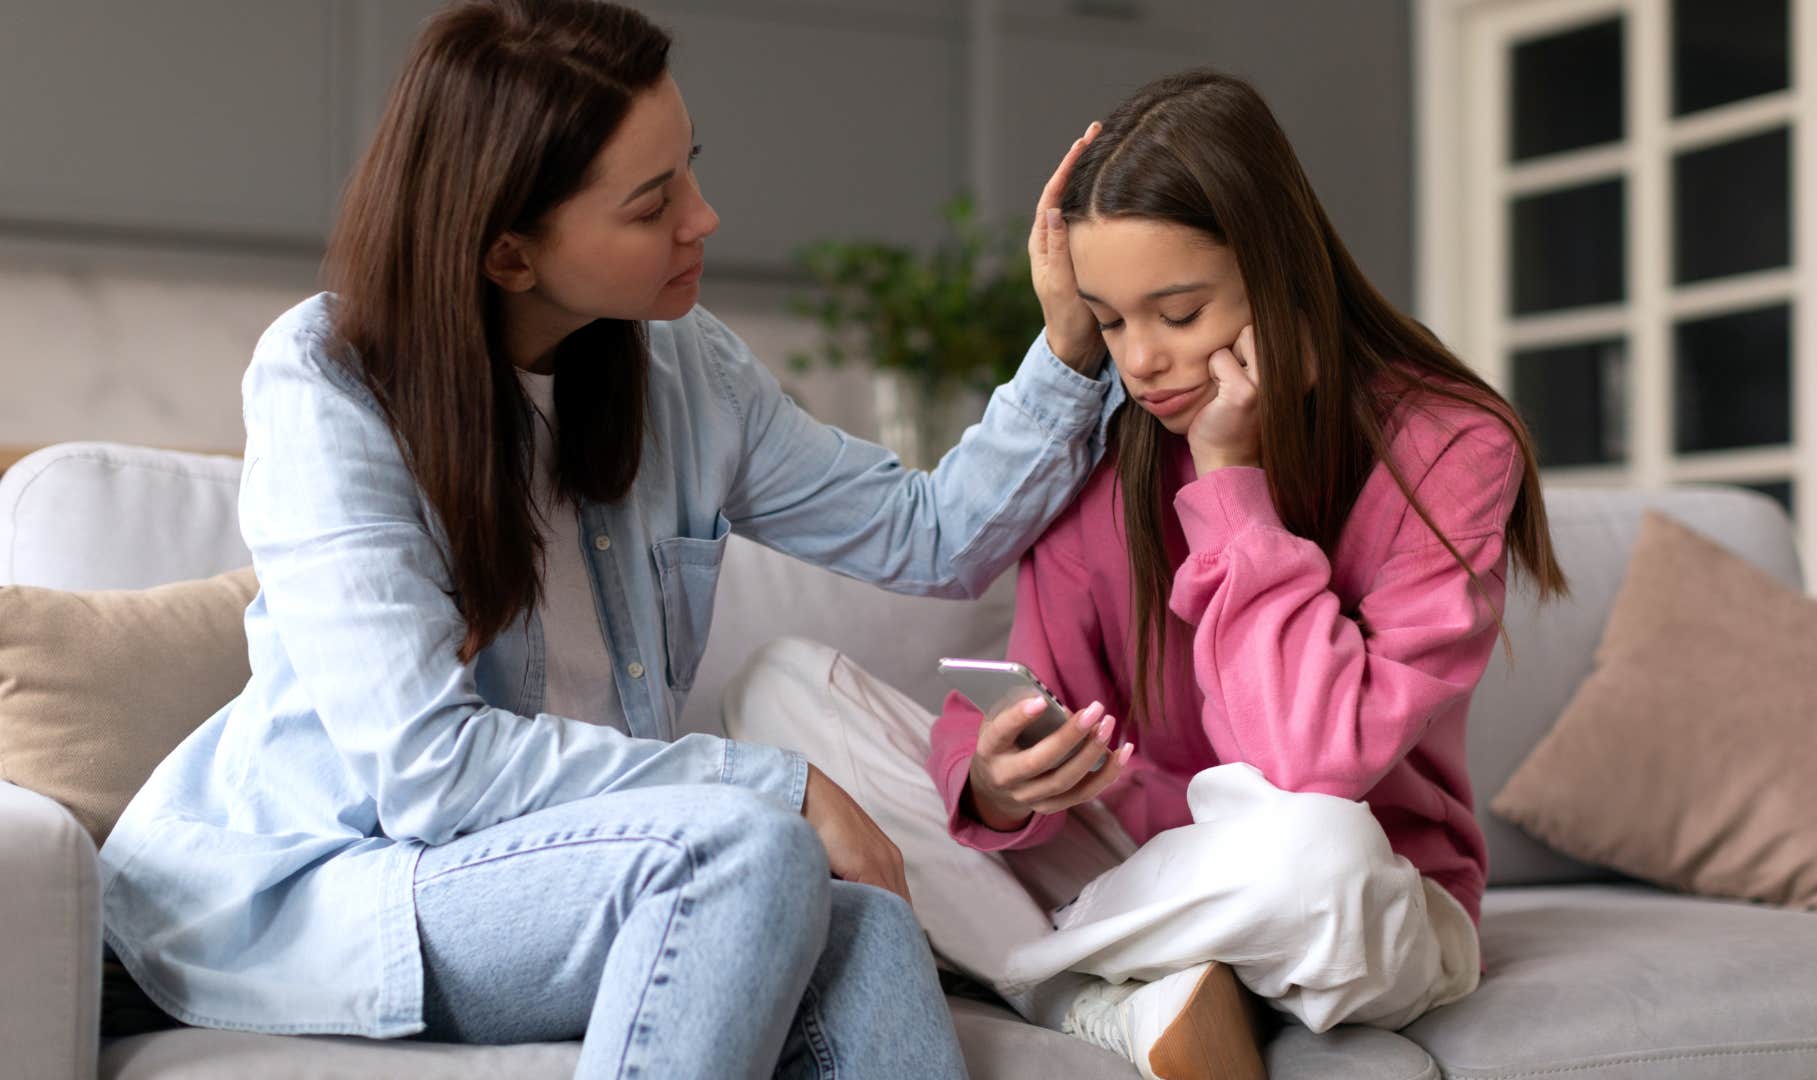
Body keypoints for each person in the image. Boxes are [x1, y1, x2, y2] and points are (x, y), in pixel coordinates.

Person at [95, 2, 1126, 1077]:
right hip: (326, 883)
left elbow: (932, 538)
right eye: (651, 206)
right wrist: (788, 785)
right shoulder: (331, 382)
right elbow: (428, 775)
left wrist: (1069, 340)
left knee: (861, 925)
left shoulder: (688, 371)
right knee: (748, 848)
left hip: (571, 877)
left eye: (689, 171)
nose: (705, 219)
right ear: (508, 252)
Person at [722, 69, 1568, 1079]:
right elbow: (1030, 695)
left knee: (1319, 851)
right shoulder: (1110, 456)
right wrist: (995, 784)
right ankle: (1113, 986)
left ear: (1282, 276)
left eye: (1177, 312)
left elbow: (1312, 759)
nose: (1144, 364)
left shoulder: (1448, 448)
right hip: (1142, 864)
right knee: (775, 694)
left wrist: (1231, 482)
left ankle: (1044, 980)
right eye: (1112, 322)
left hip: (1356, 892)